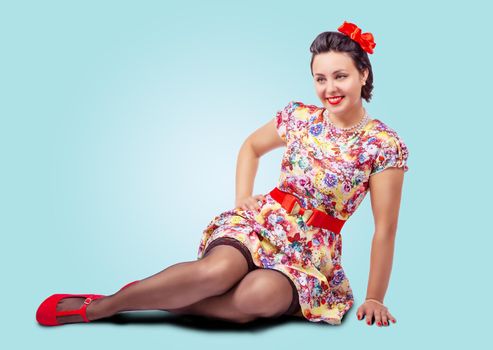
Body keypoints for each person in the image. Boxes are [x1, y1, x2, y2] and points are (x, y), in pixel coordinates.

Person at [36, 20, 409, 327]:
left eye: (339, 76)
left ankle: (164, 298)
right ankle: (103, 307)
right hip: (266, 221)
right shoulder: (298, 117)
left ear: (363, 73)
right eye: (320, 78)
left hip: (312, 250)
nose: (329, 89)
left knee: (256, 296)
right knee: (215, 273)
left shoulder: (383, 144)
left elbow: (385, 229)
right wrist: (242, 199)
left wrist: (375, 296)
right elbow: (250, 147)